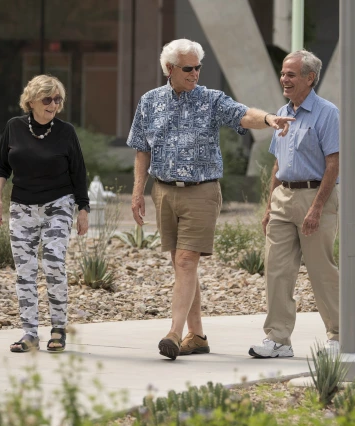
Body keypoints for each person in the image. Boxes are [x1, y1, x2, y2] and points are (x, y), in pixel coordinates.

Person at [127, 38, 295, 361]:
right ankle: (198, 336)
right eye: (188, 68)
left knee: (187, 261)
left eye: (198, 67)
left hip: (201, 192)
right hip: (163, 190)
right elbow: (141, 149)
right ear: (170, 69)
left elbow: (242, 114)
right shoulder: (149, 102)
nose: (195, 73)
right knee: (181, 265)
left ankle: (174, 334)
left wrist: (269, 120)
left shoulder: (210, 100)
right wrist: (137, 191)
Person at [249, 50, 340, 359]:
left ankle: (339, 337)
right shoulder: (281, 111)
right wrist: (268, 206)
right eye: (283, 73)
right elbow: (279, 163)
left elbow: (333, 164)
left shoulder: (328, 113)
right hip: (282, 199)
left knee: (321, 271)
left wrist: (316, 208)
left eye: (291, 74)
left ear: (309, 78)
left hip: (315, 198)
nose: (283, 79)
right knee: (276, 271)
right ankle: (278, 340)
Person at [0, 74, 90, 353]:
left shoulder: (66, 132)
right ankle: (30, 333)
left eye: (58, 99)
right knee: (25, 272)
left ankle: (58, 328)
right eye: (47, 99)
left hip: (58, 204)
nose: (53, 104)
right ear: (31, 101)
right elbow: (2, 168)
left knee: (54, 261)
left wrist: (83, 209)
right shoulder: (14, 127)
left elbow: (78, 172)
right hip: (21, 207)